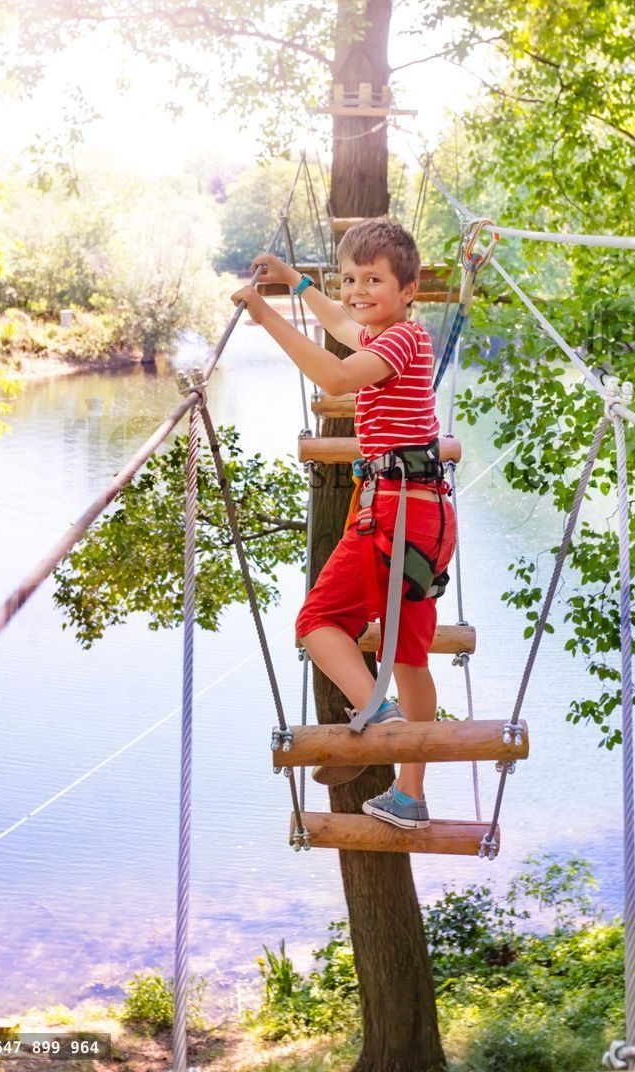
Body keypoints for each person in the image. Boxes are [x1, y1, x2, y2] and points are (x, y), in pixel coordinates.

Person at [231, 217, 456, 829]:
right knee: (408, 656)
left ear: (408, 290)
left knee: (316, 622)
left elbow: (332, 375)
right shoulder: (395, 334)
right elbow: (341, 323)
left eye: (373, 279)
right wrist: (298, 284)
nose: (358, 289)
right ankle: (409, 795)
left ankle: (376, 713)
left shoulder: (401, 341)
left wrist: (265, 314)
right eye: (350, 277)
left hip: (395, 511)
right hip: (428, 513)